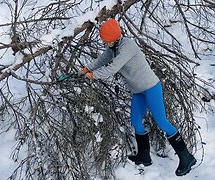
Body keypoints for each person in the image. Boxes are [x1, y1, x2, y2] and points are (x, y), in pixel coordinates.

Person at [79, 18, 196, 176]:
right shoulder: (113, 47)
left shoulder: (127, 46)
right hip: (138, 91)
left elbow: (113, 68)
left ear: (113, 38)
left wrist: (93, 75)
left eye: (105, 40)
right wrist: (86, 68)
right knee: (135, 121)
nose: (104, 43)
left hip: (151, 88)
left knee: (162, 122)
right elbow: (102, 60)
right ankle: (144, 156)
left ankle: (186, 157)